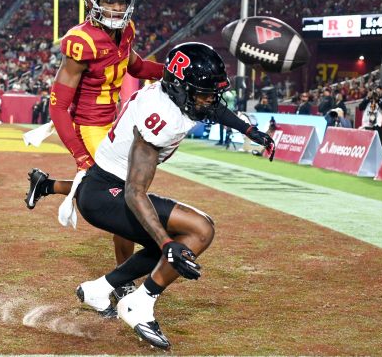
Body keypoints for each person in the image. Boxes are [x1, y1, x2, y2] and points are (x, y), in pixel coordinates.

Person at [26, 43, 275, 349]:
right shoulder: (161, 118)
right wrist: (166, 243)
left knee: (179, 241)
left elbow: (212, 108)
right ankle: (138, 304)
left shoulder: (171, 93)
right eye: (203, 93)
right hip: (108, 193)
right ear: (181, 89)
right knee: (197, 231)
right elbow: (134, 192)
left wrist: (248, 130)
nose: (210, 100)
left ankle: (99, 289)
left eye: (212, 92)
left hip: (104, 184)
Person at [25, 0, 164, 300]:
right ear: (93, 0)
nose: (117, 8)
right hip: (89, 125)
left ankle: (47, 184)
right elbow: (57, 107)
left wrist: (170, 70)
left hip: (116, 121)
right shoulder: (81, 41)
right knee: (128, 200)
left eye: (121, 2)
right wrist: (81, 154)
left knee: (127, 192)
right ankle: (122, 280)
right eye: (109, 1)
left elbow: (135, 66)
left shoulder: (126, 30)